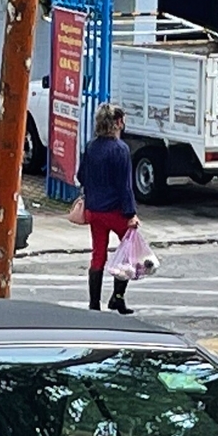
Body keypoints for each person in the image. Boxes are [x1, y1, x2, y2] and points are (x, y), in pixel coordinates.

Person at [77, 103, 139, 313]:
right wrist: (131, 214)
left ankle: (94, 303)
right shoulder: (120, 150)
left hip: (94, 211)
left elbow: (81, 176)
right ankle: (118, 297)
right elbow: (125, 187)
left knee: (98, 254)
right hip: (115, 211)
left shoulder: (91, 146)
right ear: (118, 123)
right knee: (128, 252)